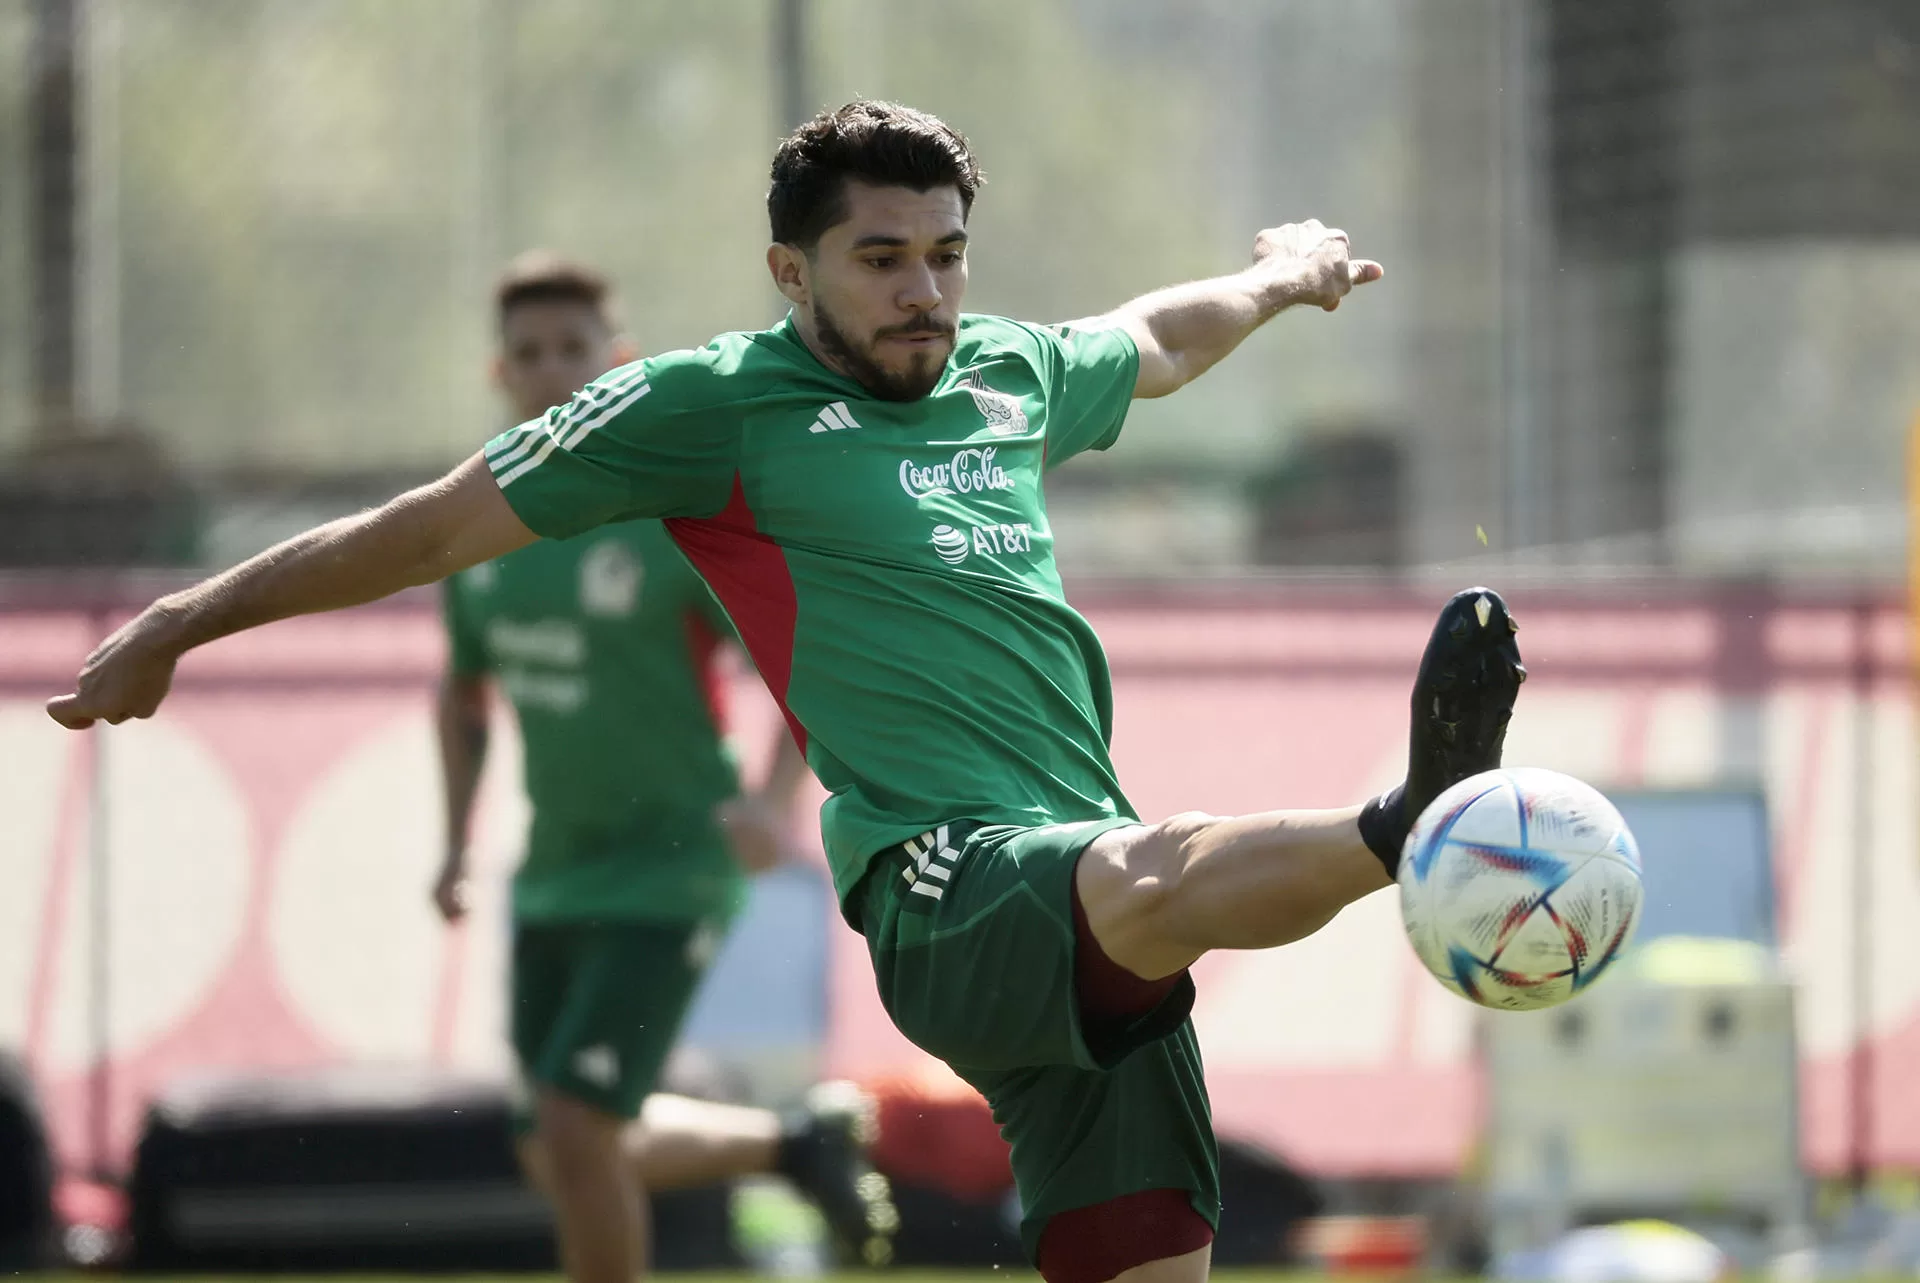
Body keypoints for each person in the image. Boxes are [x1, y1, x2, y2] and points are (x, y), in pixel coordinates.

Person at [49, 100, 1525, 1283]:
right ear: (792, 271)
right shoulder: (705, 409)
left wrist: (1280, 276)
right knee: (1152, 869)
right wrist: (190, 613)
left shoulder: (1003, 370)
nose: (926, 290)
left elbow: (1152, 342)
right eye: (883, 258)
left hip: (1080, 903)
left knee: (1144, 1234)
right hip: (942, 877)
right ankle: (1410, 823)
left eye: (947, 254)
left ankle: (1408, 826)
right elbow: (428, 528)